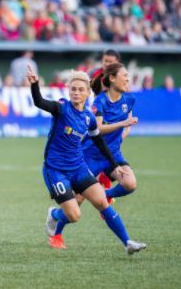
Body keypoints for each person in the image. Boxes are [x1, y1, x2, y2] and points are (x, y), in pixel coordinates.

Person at [26, 65, 146, 255]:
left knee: (101, 202)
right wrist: (34, 85)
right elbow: (40, 102)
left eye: (81, 89)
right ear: (69, 91)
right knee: (74, 215)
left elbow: (99, 143)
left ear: (88, 92)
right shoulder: (62, 108)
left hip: (79, 168)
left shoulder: (89, 118)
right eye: (73, 89)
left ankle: (127, 242)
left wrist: (115, 166)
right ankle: (54, 214)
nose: (76, 93)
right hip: (56, 170)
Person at [89, 49, 121, 190]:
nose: (107, 64)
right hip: (96, 119)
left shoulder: (121, 79)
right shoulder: (96, 75)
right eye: (105, 61)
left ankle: (102, 191)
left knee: (108, 162)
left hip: (113, 124)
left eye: (110, 61)